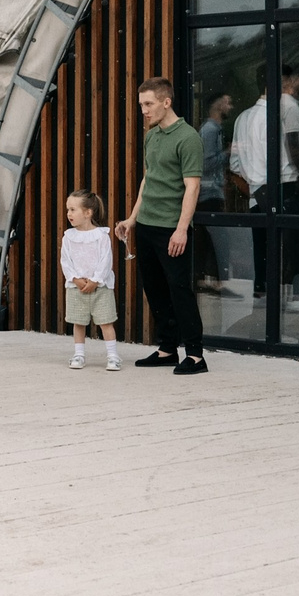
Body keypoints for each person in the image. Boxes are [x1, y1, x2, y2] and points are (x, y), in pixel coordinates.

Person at [112, 77, 208, 376]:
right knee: (155, 289)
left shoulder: (188, 137)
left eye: (149, 104)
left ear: (167, 102)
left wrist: (181, 229)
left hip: (172, 228)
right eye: (141, 105)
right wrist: (131, 218)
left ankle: (195, 355)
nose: (144, 110)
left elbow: (192, 188)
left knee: (180, 290)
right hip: (148, 226)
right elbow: (148, 180)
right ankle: (168, 349)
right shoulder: (152, 137)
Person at [231, 68, 299, 305]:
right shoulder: (277, 116)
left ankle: (263, 296)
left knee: (262, 246)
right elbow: (281, 155)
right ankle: (292, 299)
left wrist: (254, 183)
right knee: (289, 246)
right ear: (282, 82)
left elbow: (235, 163)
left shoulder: (242, 117)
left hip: (256, 190)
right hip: (282, 186)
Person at [60, 189, 119, 370]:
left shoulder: (101, 236)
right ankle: (79, 355)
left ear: (88, 213)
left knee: (106, 322)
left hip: (100, 288)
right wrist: (75, 279)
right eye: (68, 209)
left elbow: (105, 260)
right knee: (79, 322)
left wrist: (95, 280)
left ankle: (113, 356)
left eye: (73, 209)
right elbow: (65, 260)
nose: (69, 214)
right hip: (76, 287)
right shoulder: (69, 237)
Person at [192, 92, 238, 293]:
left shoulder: (213, 130)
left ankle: (205, 280)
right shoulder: (210, 130)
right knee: (217, 238)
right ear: (217, 104)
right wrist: (228, 153)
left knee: (208, 238)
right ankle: (214, 281)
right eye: (228, 102)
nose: (231, 106)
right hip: (209, 192)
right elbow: (207, 163)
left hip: (210, 191)